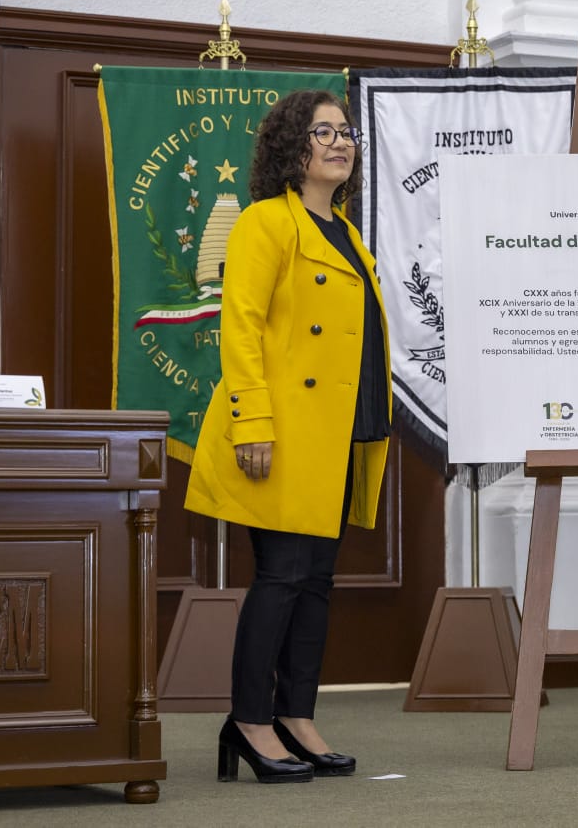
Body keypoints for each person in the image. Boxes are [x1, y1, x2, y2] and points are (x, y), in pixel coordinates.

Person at [185, 89, 391, 785]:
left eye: (345, 132)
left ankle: (296, 714)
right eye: (321, 131)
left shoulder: (347, 233)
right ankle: (249, 719)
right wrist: (252, 420)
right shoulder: (265, 224)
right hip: (279, 432)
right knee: (280, 576)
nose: (339, 142)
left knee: (317, 581)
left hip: (336, 433)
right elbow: (239, 328)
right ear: (290, 147)